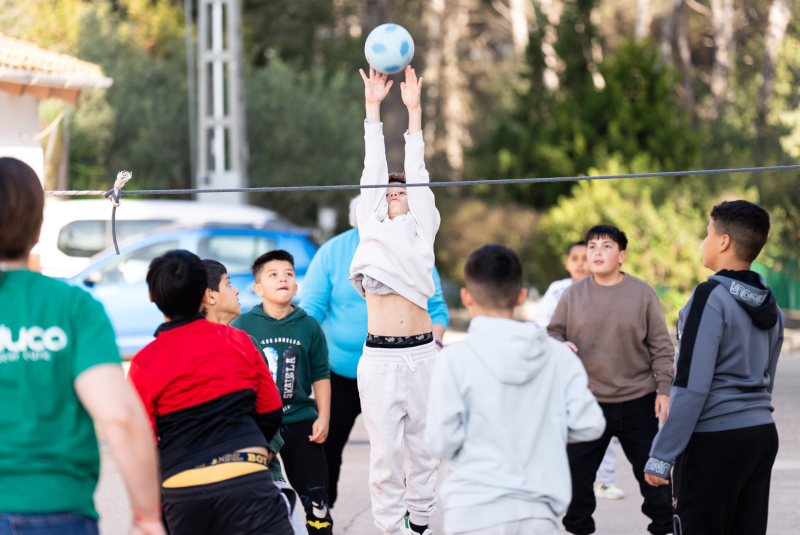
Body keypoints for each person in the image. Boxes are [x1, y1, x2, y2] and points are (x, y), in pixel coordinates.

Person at [0, 157, 165, 535]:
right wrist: (147, 516)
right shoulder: (72, 307)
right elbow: (119, 418)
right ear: (39, 226)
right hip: (58, 511)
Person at [425, 244, 606, 535]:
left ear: (466, 297)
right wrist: (547, 427)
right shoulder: (559, 356)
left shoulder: (454, 361)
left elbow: (440, 443)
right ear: (521, 296)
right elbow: (591, 424)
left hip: (472, 513)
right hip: (539, 516)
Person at [300, 194, 450, 508]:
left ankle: (413, 515)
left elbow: (436, 308)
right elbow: (312, 310)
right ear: (360, 220)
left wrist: (433, 348)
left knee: (408, 449)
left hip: (403, 368)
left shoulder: (415, 248)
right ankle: (322, 511)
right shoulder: (333, 252)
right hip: (339, 371)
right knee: (328, 444)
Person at [644, 201, 784, 535]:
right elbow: (769, 378)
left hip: (714, 442)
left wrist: (662, 454)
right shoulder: (770, 303)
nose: (703, 243)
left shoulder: (710, 296)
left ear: (723, 242)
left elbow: (692, 384)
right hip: (760, 435)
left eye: (707, 234)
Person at [128, 250, 291, 535]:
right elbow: (270, 411)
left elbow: (141, 442)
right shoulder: (239, 341)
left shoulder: (144, 362)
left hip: (182, 489)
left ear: (153, 298)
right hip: (246, 477)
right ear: (205, 295)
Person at [348, 64, 440, 535]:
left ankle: (419, 523)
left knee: (424, 450)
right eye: (390, 189)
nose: (396, 191)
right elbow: (372, 169)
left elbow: (418, 169)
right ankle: (390, 528)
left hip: (423, 354)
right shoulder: (371, 227)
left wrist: (414, 112)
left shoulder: (422, 226)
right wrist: (372, 108)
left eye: (402, 189)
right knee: (385, 457)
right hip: (380, 358)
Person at [548, 225, 675, 535]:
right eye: (592, 247)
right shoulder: (572, 294)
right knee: (577, 485)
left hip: (639, 402)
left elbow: (661, 347)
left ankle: (666, 529)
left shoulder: (642, 293)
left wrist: (664, 390)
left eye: (606, 246)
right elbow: (552, 334)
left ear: (622, 256)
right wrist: (558, 345)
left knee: (656, 481)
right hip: (587, 402)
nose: (596, 252)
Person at [201, 259, 306, 535]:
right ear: (210, 296)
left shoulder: (246, 342)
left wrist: (262, 455)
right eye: (229, 283)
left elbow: (272, 409)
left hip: (263, 475)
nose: (236, 291)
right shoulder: (191, 352)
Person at [231, 250, 333, 534]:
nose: (283, 279)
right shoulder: (242, 326)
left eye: (288, 273)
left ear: (296, 285)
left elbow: (321, 374)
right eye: (273, 275)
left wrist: (323, 417)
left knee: (317, 503)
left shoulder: (309, 325)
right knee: (265, 502)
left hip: (301, 421)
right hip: (262, 426)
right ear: (258, 288)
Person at [533, 242, 625, 501]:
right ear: (567, 262)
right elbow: (541, 324)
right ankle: (556, 479)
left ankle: (604, 480)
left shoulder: (604, 288)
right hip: (561, 369)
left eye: (585, 258)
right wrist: (559, 342)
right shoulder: (557, 290)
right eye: (575, 258)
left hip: (597, 370)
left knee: (600, 423)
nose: (580, 263)